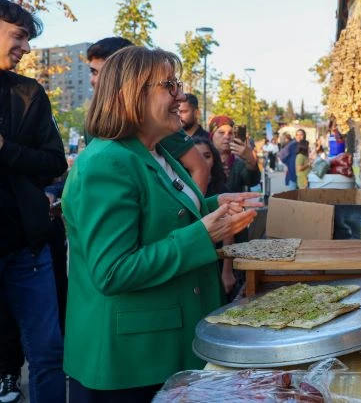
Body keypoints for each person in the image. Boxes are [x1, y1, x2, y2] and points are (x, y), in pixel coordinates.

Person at [61, 46, 261, 401]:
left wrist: (215, 206)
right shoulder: (107, 163)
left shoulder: (155, 150)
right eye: (169, 85)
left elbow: (165, 214)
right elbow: (112, 271)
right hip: (129, 366)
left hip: (165, 348)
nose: (180, 95)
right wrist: (204, 234)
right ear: (131, 95)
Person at [0, 0, 66, 403]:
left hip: (28, 251)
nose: (26, 48)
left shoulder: (28, 93)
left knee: (47, 353)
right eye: (19, 36)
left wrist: (6, 149)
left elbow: (54, 162)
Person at [86, 37, 210, 193]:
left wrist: (208, 209)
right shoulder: (102, 159)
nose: (95, 80)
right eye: (168, 85)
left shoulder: (157, 130)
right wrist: (204, 218)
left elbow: (198, 170)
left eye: (101, 73)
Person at [191, 136, 237, 298]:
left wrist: (227, 271)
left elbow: (228, 232)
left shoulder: (221, 190)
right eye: (196, 157)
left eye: (207, 156)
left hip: (218, 261)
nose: (201, 161)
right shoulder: (182, 189)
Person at [208, 115, 261, 193]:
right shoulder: (202, 159)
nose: (227, 137)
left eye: (230, 133)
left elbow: (252, 181)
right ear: (212, 136)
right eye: (221, 133)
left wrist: (251, 160)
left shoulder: (239, 161)